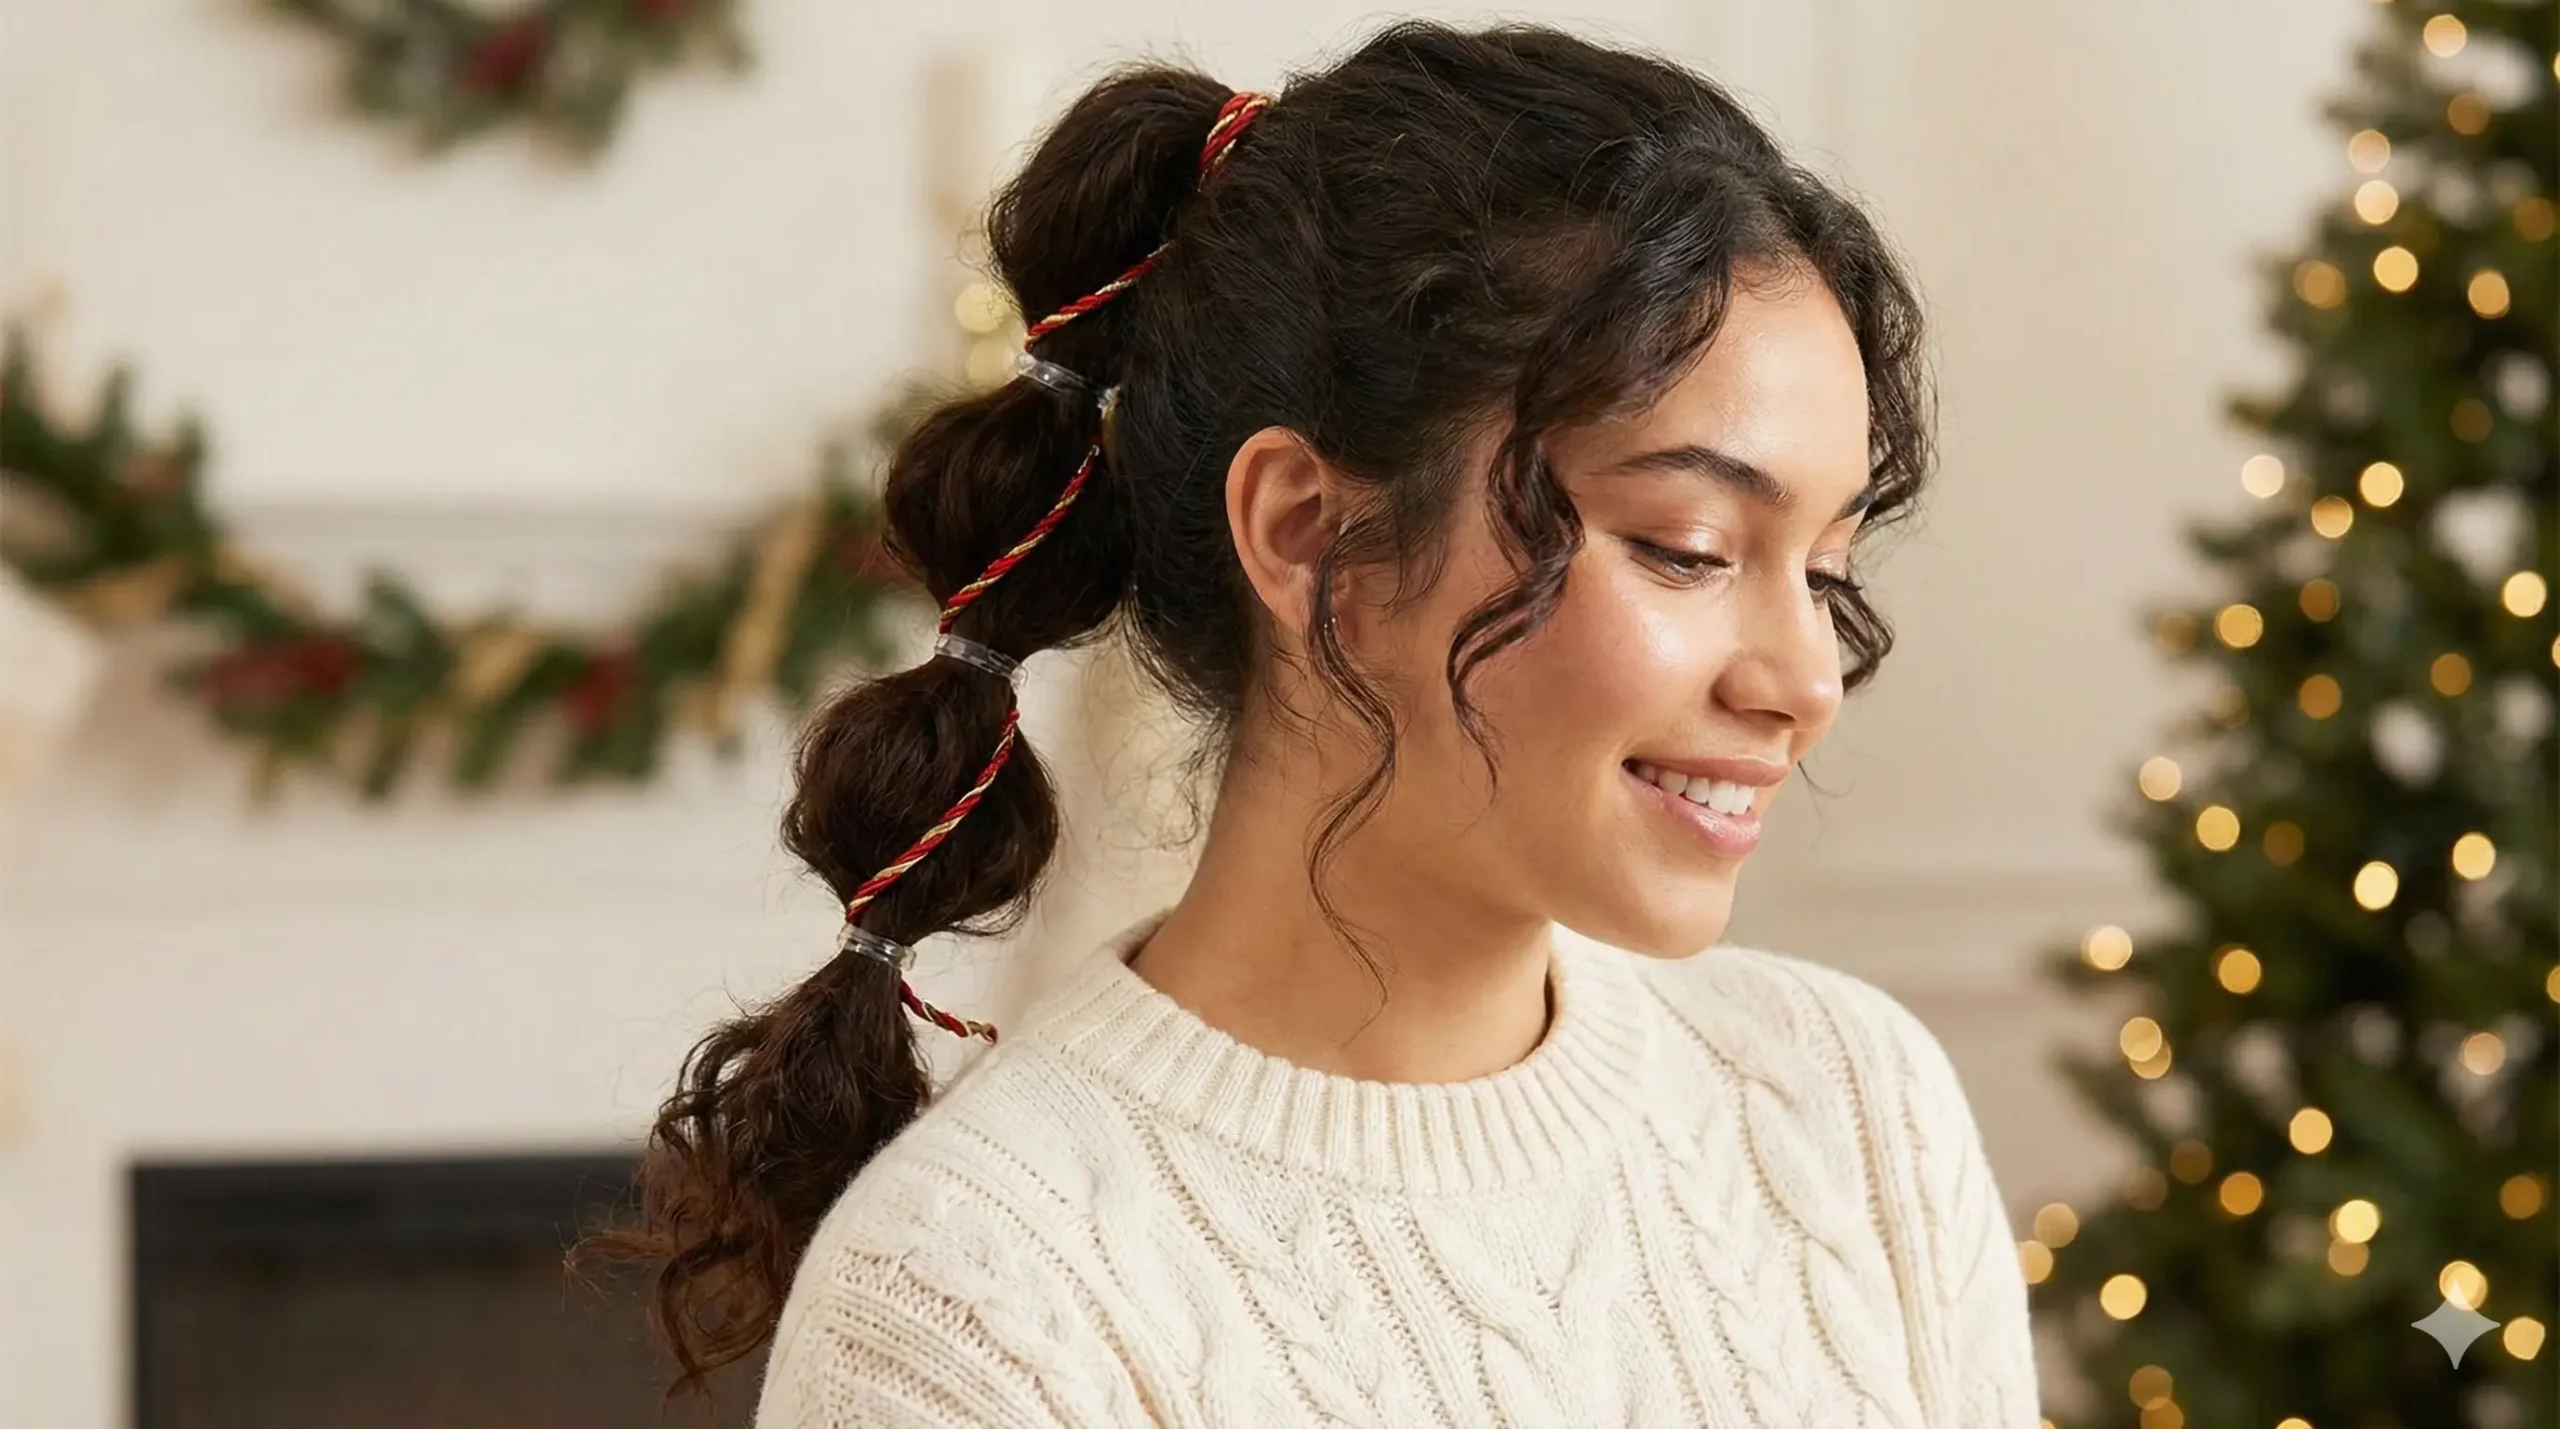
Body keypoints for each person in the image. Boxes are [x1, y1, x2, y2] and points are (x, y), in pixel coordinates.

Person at [590, 21, 2041, 1427]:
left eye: (1827, 568)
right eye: (1686, 547)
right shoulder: (976, 1303)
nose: (1805, 680)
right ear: (1311, 536)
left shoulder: (1850, 1105)